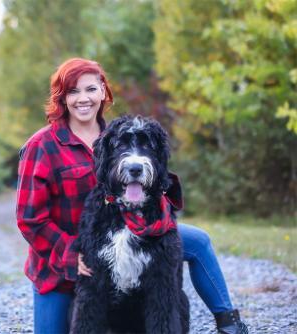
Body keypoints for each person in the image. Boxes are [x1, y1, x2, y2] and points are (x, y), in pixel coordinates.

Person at [16, 58, 248, 334]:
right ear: (61, 97)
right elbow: (30, 219)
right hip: (66, 255)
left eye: (90, 89)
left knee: (196, 241)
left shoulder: (120, 134)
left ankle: (229, 322)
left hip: (130, 228)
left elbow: (154, 173)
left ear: (103, 91)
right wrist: (70, 256)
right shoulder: (42, 145)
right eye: (72, 91)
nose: (83, 99)